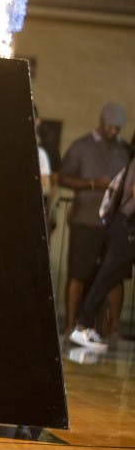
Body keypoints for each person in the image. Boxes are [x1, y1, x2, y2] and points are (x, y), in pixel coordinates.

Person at [60, 102, 130, 335]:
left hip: (115, 224)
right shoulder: (81, 146)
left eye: (118, 129)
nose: (114, 132)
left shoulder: (125, 151)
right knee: (78, 273)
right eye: (111, 127)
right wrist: (91, 184)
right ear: (101, 122)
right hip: (85, 220)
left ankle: (112, 330)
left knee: (115, 276)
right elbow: (62, 178)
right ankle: (71, 325)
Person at [69, 155, 135, 352]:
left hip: (125, 226)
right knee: (107, 276)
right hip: (127, 227)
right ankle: (82, 326)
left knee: (110, 276)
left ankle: (84, 325)